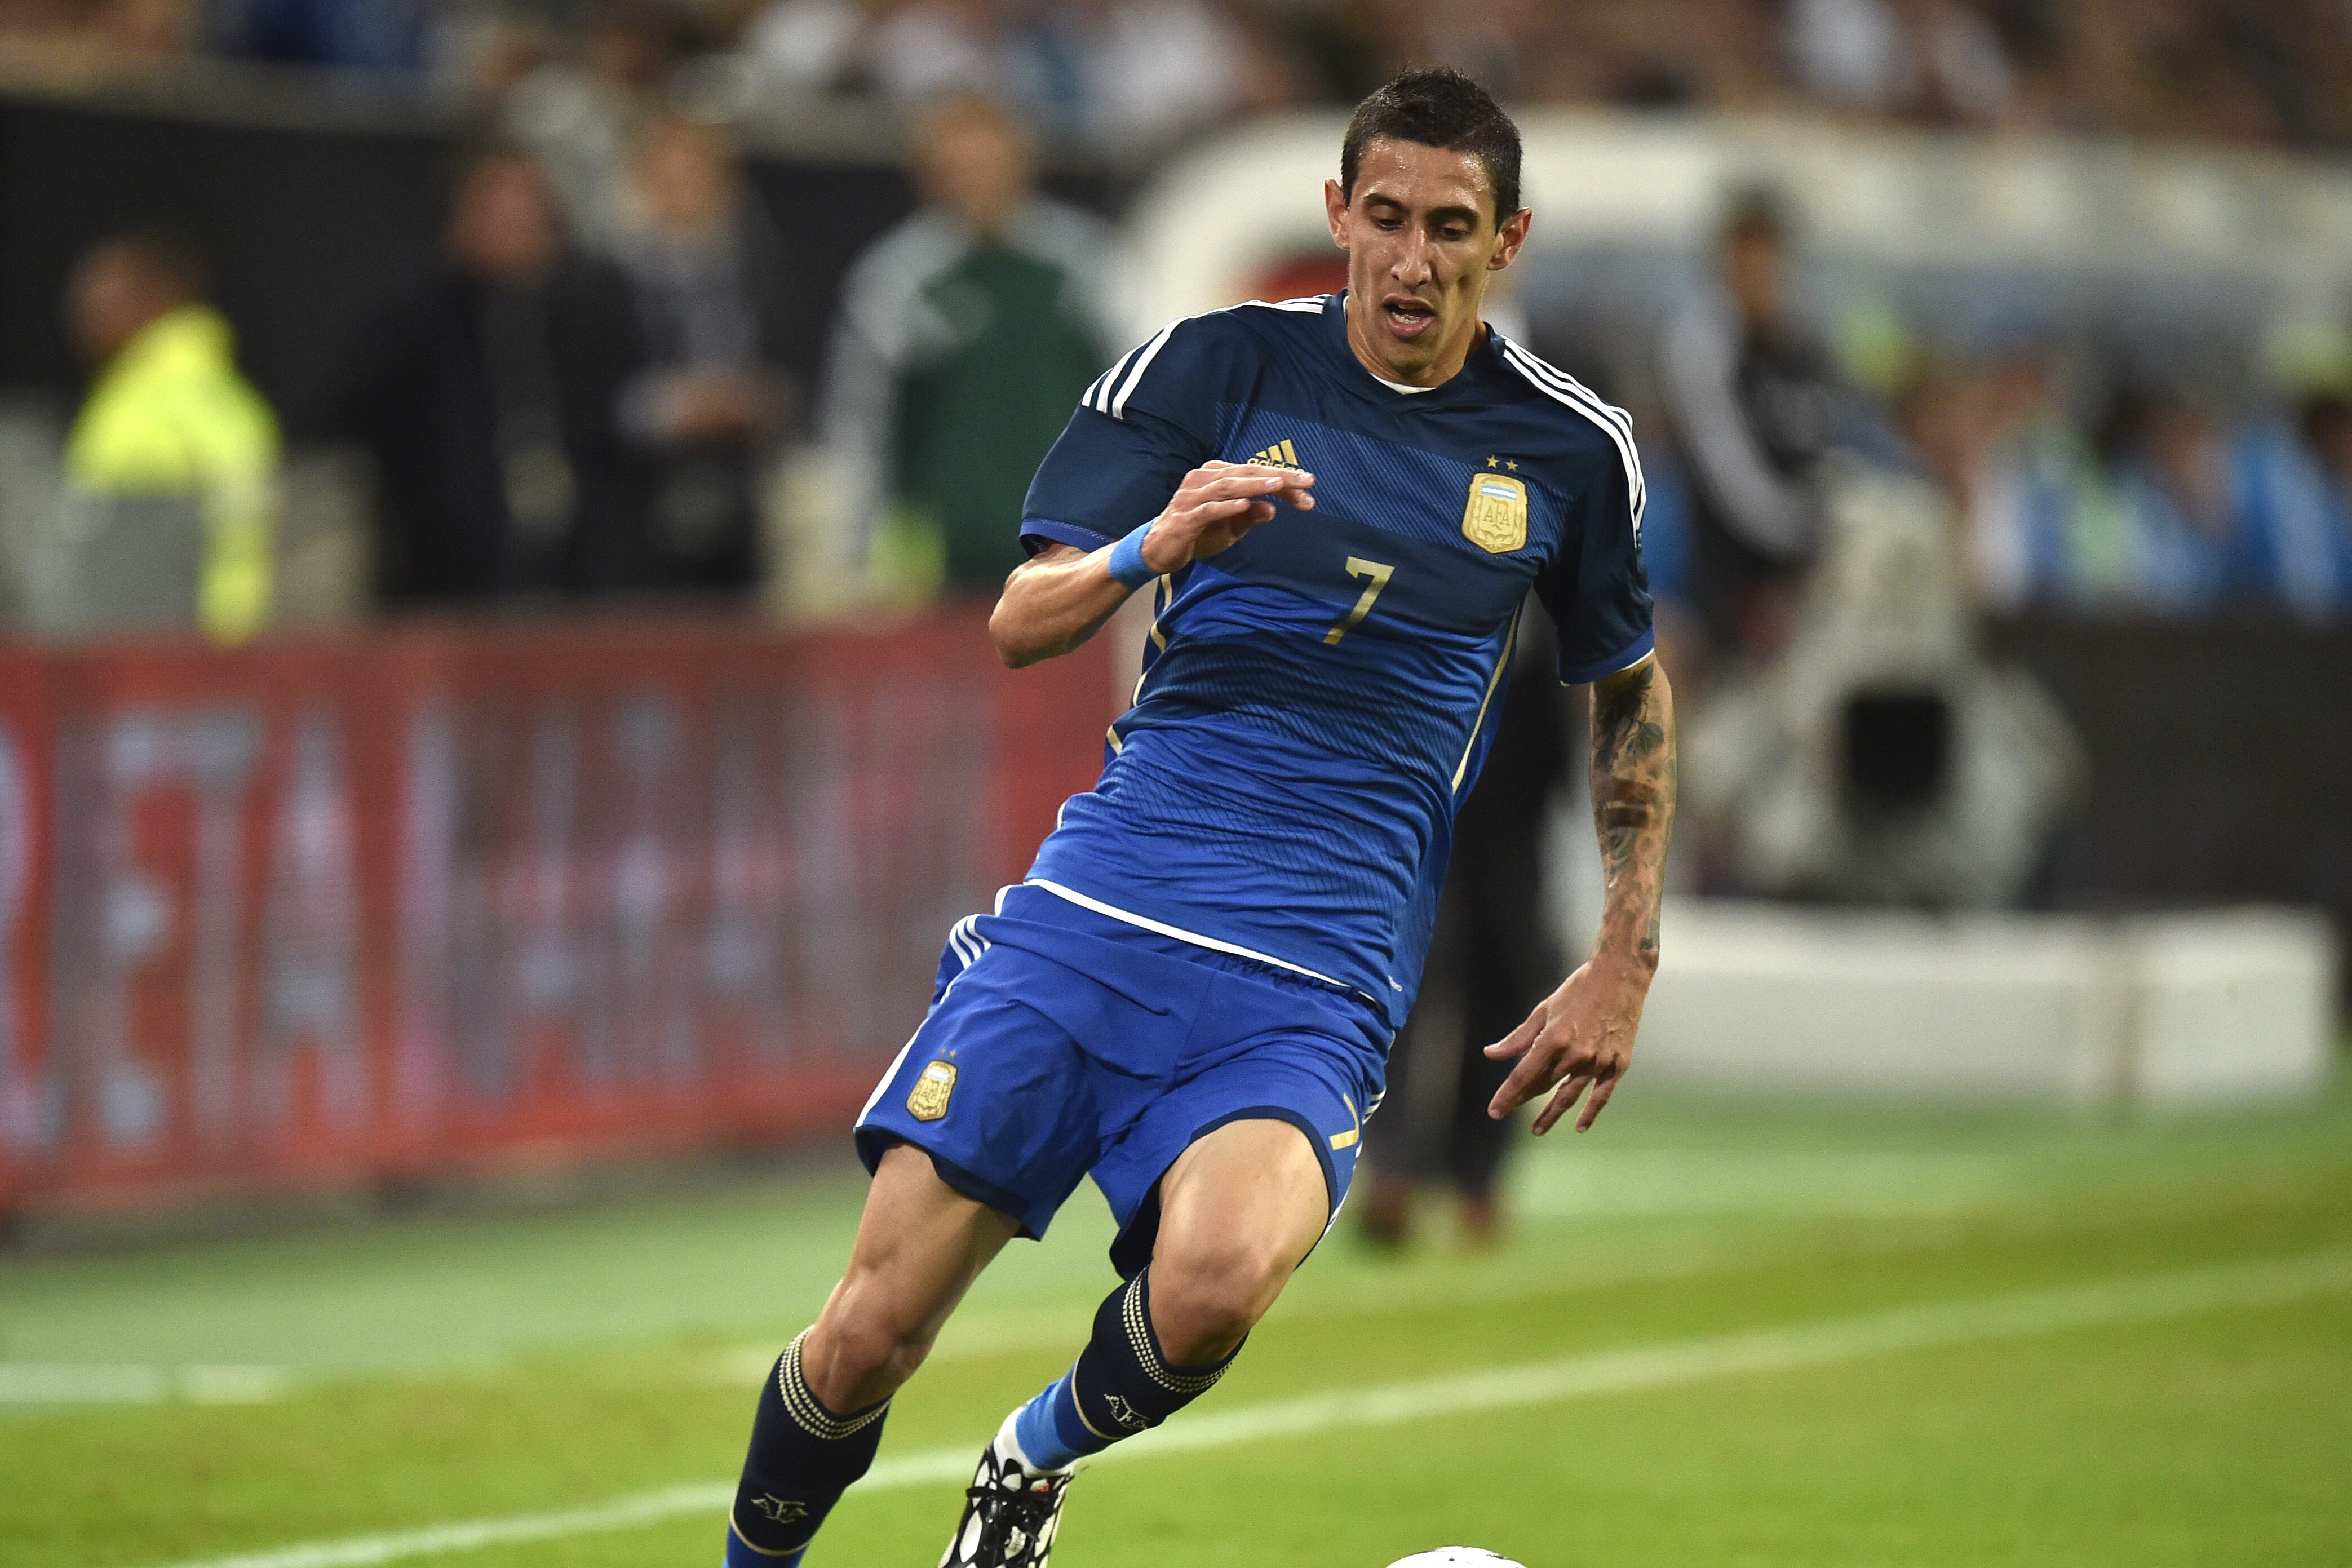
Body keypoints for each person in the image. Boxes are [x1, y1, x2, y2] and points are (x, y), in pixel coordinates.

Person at [719, 68, 1677, 1568]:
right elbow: (1020, 617)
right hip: (1099, 912)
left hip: (1313, 961)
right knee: (865, 1335)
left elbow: (1625, 692)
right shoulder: (1209, 364)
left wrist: (1624, 951)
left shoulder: (1567, 448)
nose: (1410, 259)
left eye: (1448, 227)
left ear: (1507, 240)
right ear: (1335, 215)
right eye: (1383, 218)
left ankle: (1029, 1458)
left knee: (1218, 1278)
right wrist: (1148, 544)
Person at [822, 91, 1122, 597]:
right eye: (957, 168)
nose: (976, 182)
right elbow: (859, 423)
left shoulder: (1086, 264)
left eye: (990, 165)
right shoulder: (897, 278)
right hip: (941, 563)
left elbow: (1147, 395)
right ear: (927, 176)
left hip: (1074, 552)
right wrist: (849, 550)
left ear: (1022, 166)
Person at [323, 145, 642, 605]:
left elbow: (623, 418)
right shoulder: (413, 313)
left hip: (584, 566)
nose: (513, 223)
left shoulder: (592, 307)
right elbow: (347, 414)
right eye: (495, 206)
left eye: (528, 207)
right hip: (448, 568)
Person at [611, 116, 812, 596]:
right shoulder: (607, 285)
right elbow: (592, 395)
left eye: (697, 175)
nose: (685, 191)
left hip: (748, 501)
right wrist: (674, 408)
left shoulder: (765, 277)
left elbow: (799, 376)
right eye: (670, 177)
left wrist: (752, 401)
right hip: (637, 510)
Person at [1658, 188, 1847, 666]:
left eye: (1767, 261)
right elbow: (1731, 475)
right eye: (1744, 261)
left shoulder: (1807, 349)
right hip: (1728, 575)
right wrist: (1805, 534)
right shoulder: (1701, 349)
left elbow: (1833, 447)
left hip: (1806, 571)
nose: (1757, 276)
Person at [63, 231, 280, 641]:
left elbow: (245, 513)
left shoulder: (189, 390)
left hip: (174, 645)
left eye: (107, 292)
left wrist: (229, 635)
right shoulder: (126, 390)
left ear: (161, 297)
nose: (85, 310)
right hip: (119, 638)